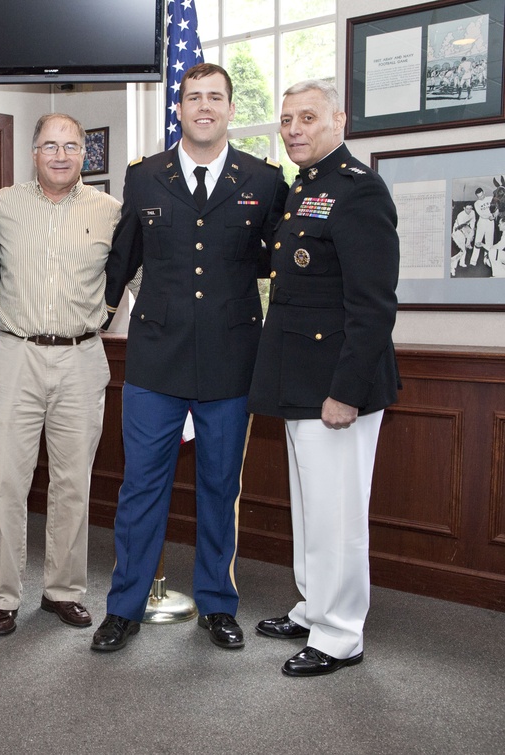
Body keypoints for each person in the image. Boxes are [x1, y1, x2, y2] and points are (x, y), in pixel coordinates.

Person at [92, 63, 287, 653]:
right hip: (156, 358)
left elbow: (275, 262)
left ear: (230, 108)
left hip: (231, 358)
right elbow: (122, 258)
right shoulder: (145, 177)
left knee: (219, 487)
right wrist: (91, 318)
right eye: (193, 96)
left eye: (215, 97)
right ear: (178, 108)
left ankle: (218, 604)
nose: (204, 106)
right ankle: (124, 607)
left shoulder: (265, 178)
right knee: (140, 488)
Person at [248, 79, 400, 678]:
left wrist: (345, 392)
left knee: (339, 512)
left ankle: (341, 634)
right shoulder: (303, 191)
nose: (293, 129)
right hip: (300, 379)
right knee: (312, 507)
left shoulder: (359, 192)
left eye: (307, 117)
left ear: (339, 120)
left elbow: (373, 305)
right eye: (286, 120)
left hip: (339, 386)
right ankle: (315, 607)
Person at [0, 114, 120, 637]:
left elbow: (136, 275)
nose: (60, 155)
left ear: (84, 153)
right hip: (16, 353)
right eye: (49, 146)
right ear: (33, 152)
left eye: (70, 146)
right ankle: (2, 595)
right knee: (7, 481)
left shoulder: (109, 211)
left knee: (72, 483)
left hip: (83, 357)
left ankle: (63, 590)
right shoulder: (1, 205)